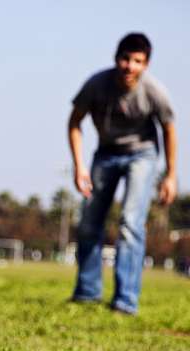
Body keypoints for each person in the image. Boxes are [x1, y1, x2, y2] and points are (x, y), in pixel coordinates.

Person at [67, 33, 177, 314]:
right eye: (125, 59)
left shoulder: (153, 91)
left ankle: (125, 300)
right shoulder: (97, 84)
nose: (130, 66)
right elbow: (75, 122)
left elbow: (169, 129)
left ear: (146, 64)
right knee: (90, 221)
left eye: (137, 61)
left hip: (142, 155)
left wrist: (170, 174)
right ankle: (87, 293)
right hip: (106, 153)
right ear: (117, 59)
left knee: (130, 222)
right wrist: (79, 166)